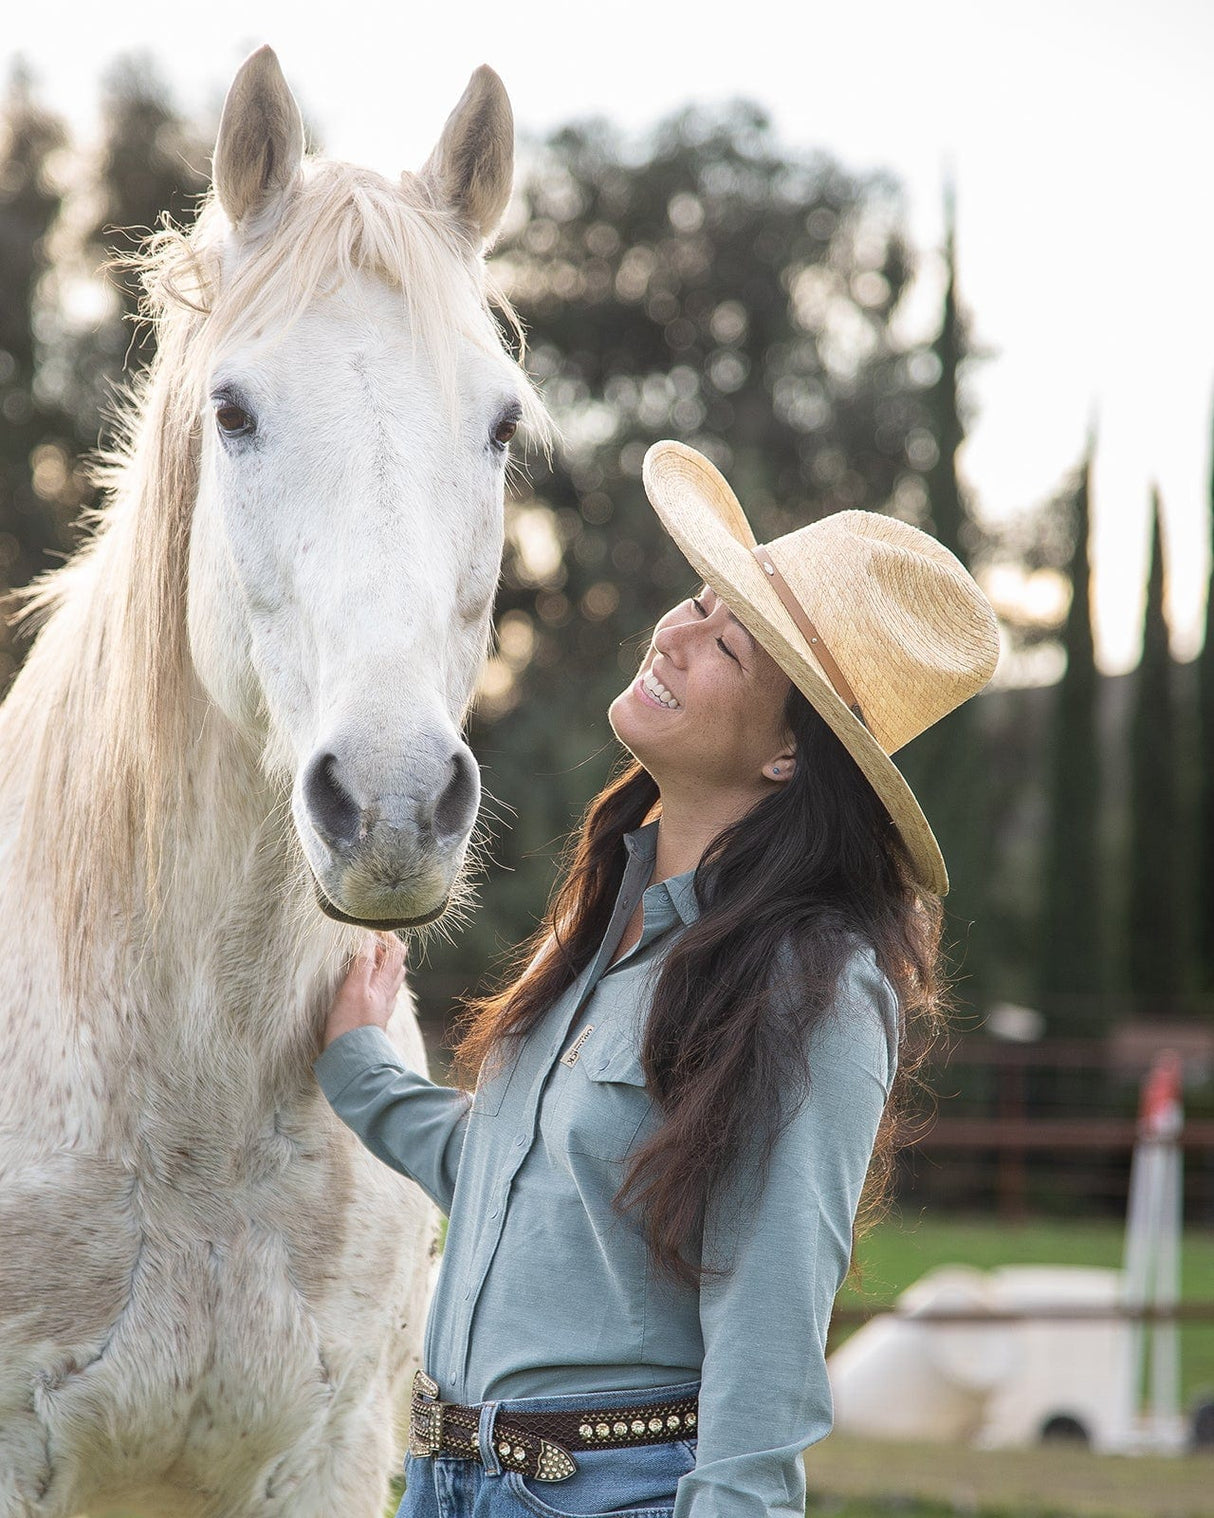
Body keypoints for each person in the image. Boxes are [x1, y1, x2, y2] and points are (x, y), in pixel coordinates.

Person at [315, 439, 1000, 1518]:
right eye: (694, 602)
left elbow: (768, 1333)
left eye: (728, 645)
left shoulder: (809, 987)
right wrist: (360, 1067)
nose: (676, 636)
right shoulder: (597, 925)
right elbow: (523, 1184)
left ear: (788, 756)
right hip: (442, 1482)